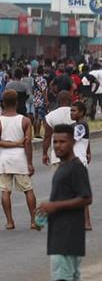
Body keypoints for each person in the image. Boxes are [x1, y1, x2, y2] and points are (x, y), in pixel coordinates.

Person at [37, 123, 92, 281]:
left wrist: (53, 206)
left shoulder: (76, 168)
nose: (57, 146)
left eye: (63, 142)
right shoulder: (63, 167)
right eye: (55, 142)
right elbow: (62, 198)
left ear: (73, 142)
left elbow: (86, 198)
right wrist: (45, 213)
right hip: (61, 234)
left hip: (67, 237)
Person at [0, 89, 38, 230]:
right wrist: (29, 163)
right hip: (20, 158)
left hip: (4, 160)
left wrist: (9, 144)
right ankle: (33, 221)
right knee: (28, 189)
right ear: (17, 103)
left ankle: (10, 221)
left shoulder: (0, 121)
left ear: (3, 103)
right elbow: (27, 142)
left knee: (5, 191)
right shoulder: (25, 120)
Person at [70, 101, 92, 230]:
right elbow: (87, 141)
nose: (72, 113)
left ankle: (86, 222)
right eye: (71, 111)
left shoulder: (81, 126)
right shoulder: (77, 125)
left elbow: (71, 141)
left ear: (82, 112)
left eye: (74, 111)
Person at [43, 91, 74, 168]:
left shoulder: (50, 116)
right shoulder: (75, 114)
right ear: (70, 100)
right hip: (74, 155)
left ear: (58, 101)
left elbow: (47, 137)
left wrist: (44, 153)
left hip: (57, 157)